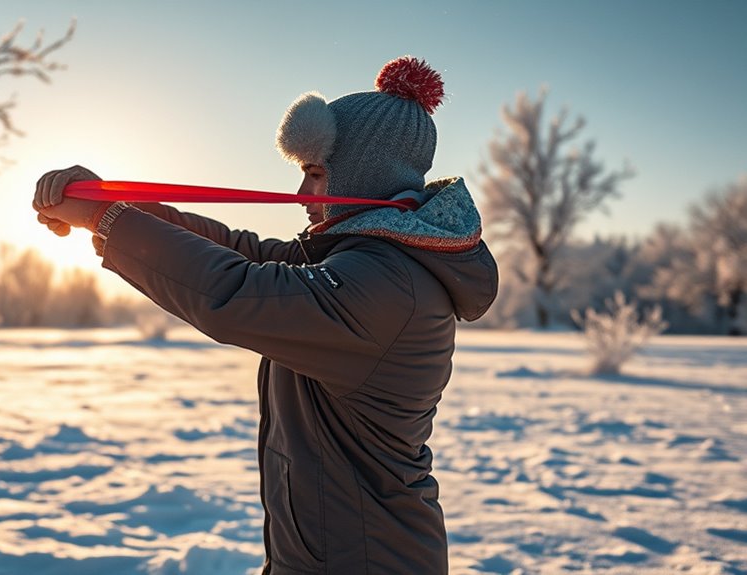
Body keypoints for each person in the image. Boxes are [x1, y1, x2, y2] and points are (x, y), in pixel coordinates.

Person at [32, 56, 498, 575]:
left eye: (316, 176)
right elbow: (244, 252)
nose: (301, 195)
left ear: (366, 178)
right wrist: (119, 203)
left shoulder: (386, 284)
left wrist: (107, 219)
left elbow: (236, 290)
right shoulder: (359, 260)